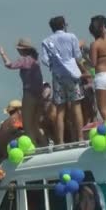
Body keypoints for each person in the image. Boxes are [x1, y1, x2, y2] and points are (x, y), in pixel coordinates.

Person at [41, 16, 86, 144]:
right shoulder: (71, 37)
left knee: (60, 109)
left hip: (58, 75)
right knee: (76, 106)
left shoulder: (46, 41)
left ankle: (60, 142)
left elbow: (44, 59)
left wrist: (54, 64)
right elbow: (78, 56)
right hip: (72, 74)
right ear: (63, 25)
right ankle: (81, 138)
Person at [0, 39, 46, 146]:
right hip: (40, 95)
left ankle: (34, 149)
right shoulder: (35, 60)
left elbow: (9, 65)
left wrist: (3, 54)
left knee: (28, 126)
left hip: (29, 95)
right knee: (35, 125)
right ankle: (45, 146)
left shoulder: (25, 60)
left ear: (22, 50)